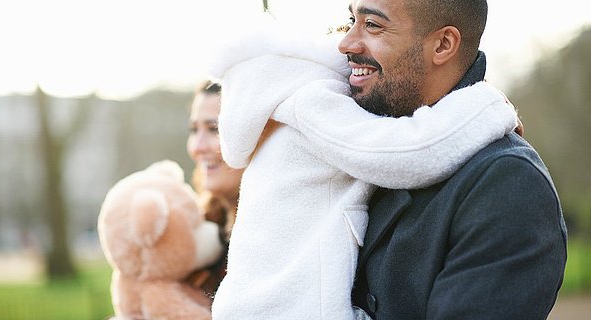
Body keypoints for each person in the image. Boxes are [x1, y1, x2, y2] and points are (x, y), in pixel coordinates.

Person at [207, 18, 518, 319]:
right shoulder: (311, 100)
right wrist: (487, 106)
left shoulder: (279, 105)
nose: (355, 47)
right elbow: (408, 153)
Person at [345, 0, 567, 319]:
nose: (347, 43)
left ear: (444, 45)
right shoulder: (357, 139)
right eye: (350, 21)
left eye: (373, 25)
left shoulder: (508, 184)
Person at [185, 80, 243, 297]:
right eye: (193, 129)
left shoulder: (268, 238)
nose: (197, 147)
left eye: (213, 129)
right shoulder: (198, 228)